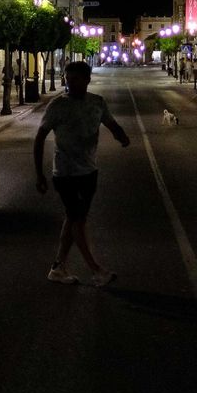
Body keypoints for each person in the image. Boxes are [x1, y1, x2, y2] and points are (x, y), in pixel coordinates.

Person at [33, 60, 130, 286]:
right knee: (77, 220)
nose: (70, 84)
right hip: (65, 173)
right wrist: (39, 174)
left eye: (75, 79)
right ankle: (96, 270)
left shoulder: (97, 102)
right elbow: (39, 137)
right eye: (68, 79)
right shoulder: (57, 105)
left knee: (75, 218)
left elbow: (111, 124)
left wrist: (122, 137)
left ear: (87, 79)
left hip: (88, 171)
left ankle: (58, 267)